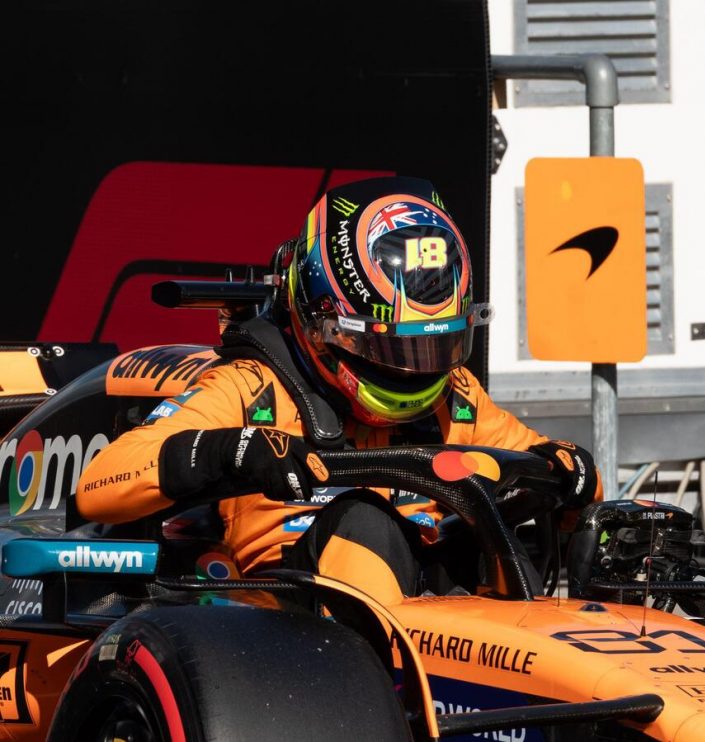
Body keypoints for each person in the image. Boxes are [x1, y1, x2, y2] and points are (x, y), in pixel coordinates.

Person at [77, 176, 600, 604]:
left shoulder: (454, 397)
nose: (413, 372)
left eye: (427, 350)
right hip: (280, 630)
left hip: (435, 620)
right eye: (389, 351)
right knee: (365, 522)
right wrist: (229, 450)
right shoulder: (252, 389)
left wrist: (574, 475)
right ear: (320, 319)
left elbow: (544, 464)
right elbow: (100, 486)